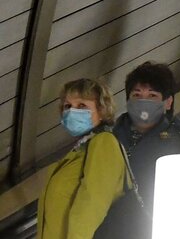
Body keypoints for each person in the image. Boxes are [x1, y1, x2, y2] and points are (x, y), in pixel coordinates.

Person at [106, 63, 180, 238]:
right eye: (137, 95)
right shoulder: (107, 140)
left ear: (168, 102)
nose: (143, 101)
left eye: (152, 95)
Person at [38, 79, 127, 239]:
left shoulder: (104, 142)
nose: (72, 111)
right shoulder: (79, 150)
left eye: (82, 106)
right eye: (67, 106)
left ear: (102, 110)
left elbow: (92, 204)